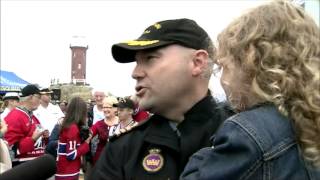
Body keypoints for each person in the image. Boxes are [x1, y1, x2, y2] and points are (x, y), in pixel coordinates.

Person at [180, 1, 320, 179]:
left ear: (249, 63)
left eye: (224, 66)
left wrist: (205, 155)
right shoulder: (307, 122)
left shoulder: (248, 133)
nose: (222, 79)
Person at [89, 18, 234, 179]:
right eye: (137, 62)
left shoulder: (243, 138)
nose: (135, 73)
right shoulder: (124, 148)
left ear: (197, 62)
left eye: (150, 59)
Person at [4, 84, 49, 166]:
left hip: (33, 165)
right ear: (30, 97)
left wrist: (44, 138)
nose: (40, 100)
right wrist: (33, 139)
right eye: (38, 97)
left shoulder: (32, 116)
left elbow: (38, 144)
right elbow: (9, 150)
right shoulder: (14, 116)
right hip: (21, 168)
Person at [55, 97, 92, 180]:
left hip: (64, 170)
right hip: (68, 172)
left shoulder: (68, 125)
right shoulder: (72, 128)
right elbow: (71, 155)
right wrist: (86, 143)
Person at [90, 96, 119, 165]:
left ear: (115, 108)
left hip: (117, 160)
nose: (105, 110)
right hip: (100, 160)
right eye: (104, 107)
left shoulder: (122, 122)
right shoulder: (98, 124)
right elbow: (88, 136)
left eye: (108, 107)